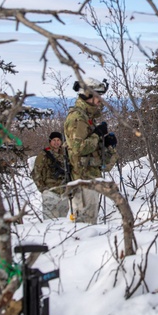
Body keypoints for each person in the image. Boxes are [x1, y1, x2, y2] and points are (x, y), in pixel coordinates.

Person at [63, 77, 118, 224]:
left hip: (89, 177)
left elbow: (88, 146)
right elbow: (78, 148)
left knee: (88, 221)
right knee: (85, 225)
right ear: (88, 95)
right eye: (98, 96)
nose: (101, 100)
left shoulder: (86, 116)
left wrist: (105, 143)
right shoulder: (78, 118)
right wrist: (97, 134)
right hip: (82, 179)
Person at [32, 131, 70, 219]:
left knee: (63, 222)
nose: (56, 142)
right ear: (50, 141)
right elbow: (36, 172)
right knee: (50, 222)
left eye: (58, 140)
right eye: (54, 140)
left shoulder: (65, 154)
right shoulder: (44, 154)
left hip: (64, 192)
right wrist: (42, 188)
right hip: (50, 192)